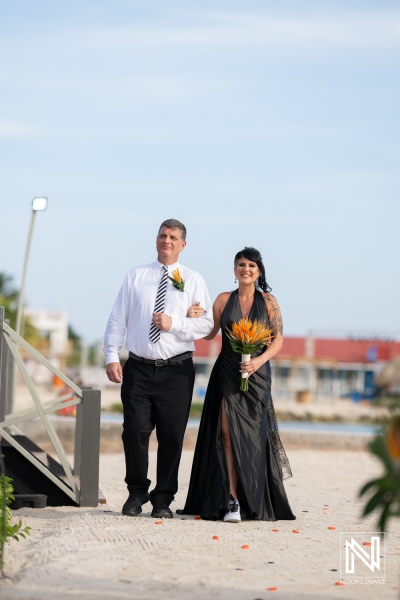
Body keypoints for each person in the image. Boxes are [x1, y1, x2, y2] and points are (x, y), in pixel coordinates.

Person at [103, 219, 213, 519]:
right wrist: (112, 355)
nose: (167, 240)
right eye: (163, 235)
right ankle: (136, 492)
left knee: (172, 437)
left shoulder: (192, 280)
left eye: (173, 237)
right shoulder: (136, 276)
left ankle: (163, 499)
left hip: (177, 372)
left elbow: (205, 325)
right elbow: (118, 319)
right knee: (135, 431)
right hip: (138, 367)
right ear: (156, 240)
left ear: (183, 244)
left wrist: (175, 322)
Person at [178, 247, 295, 522]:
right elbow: (209, 334)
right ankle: (232, 500)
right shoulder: (222, 300)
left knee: (254, 437)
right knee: (226, 433)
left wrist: (258, 361)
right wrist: (193, 317)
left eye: (252, 266)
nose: (246, 269)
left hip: (257, 374)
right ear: (234, 270)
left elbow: (277, 339)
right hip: (227, 371)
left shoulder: (269, 302)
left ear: (258, 271)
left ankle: (252, 498)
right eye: (241, 265)